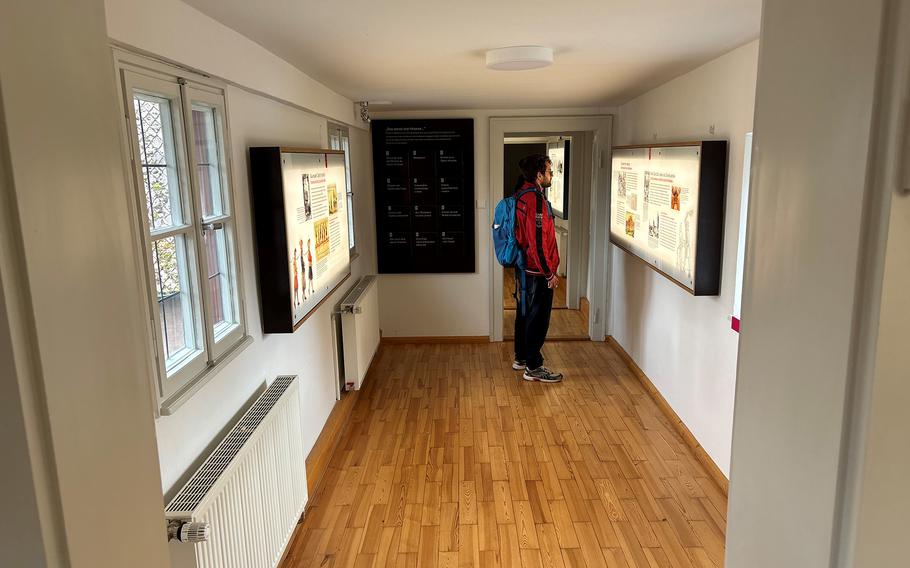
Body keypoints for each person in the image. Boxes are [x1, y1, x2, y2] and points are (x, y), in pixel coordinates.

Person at [512, 154, 563, 383]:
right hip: (537, 270)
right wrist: (549, 272)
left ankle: (521, 357)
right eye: (550, 171)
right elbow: (537, 241)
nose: (552, 175)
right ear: (539, 175)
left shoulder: (522, 194)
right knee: (538, 319)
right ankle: (533, 367)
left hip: (526, 267)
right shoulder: (535, 200)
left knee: (526, 314)